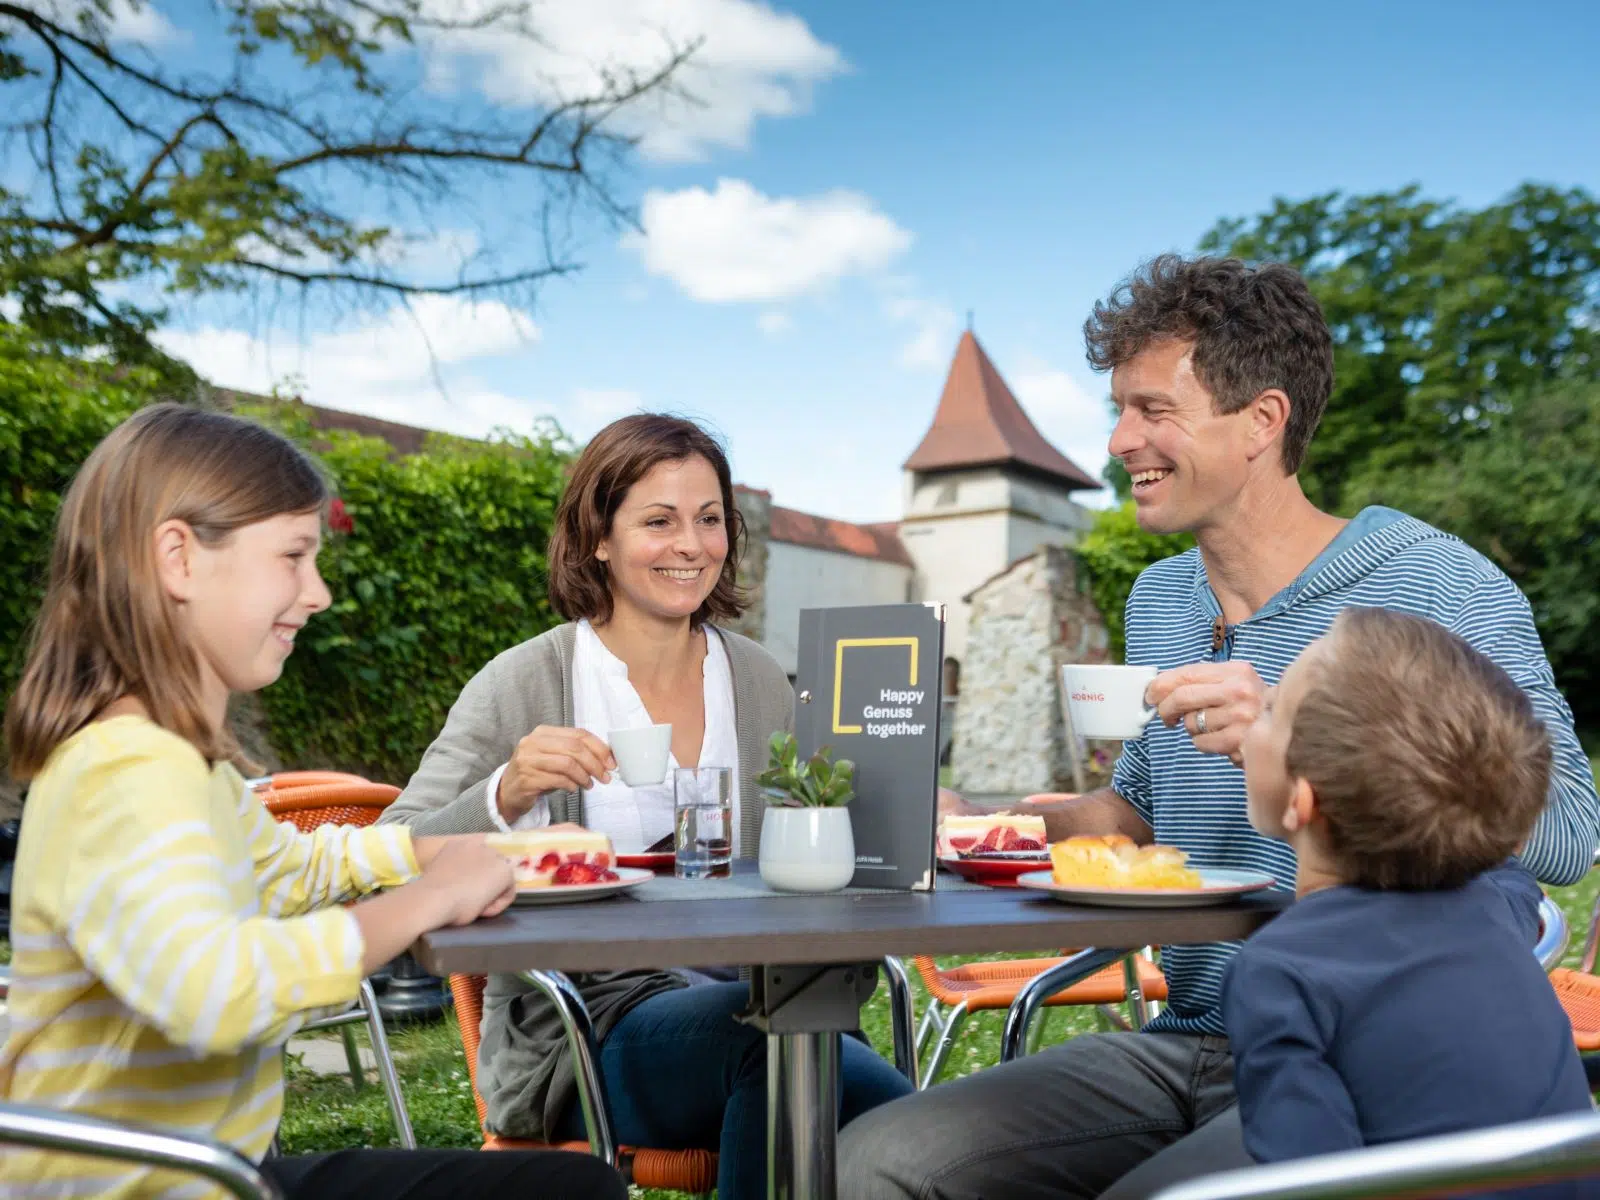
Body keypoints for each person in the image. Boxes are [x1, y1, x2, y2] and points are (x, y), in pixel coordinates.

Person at [839, 255, 1600, 1200]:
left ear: (1262, 422)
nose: (1120, 441)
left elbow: (1569, 828)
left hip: (1366, 1045)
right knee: (877, 1163)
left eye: (1153, 410)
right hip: (1194, 1033)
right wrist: (993, 823)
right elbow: (1142, 816)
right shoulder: (1162, 599)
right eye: (1118, 408)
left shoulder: (1435, 584)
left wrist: (1302, 727)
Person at [0, 404, 626, 1200]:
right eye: (294, 556)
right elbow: (217, 994)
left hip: (211, 1174)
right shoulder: (130, 769)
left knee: (564, 1189)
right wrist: (423, 902)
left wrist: (420, 852)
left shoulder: (175, 762)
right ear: (179, 559)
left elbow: (288, 867)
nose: (319, 592)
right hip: (160, 1187)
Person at [380, 413, 913, 1200]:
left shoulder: (760, 680)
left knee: (926, 1135)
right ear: (598, 536)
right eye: (657, 521)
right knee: (781, 1056)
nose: (690, 545)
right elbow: (389, 854)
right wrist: (506, 791)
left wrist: (898, 807)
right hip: (587, 1028)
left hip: (774, 1001)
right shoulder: (527, 681)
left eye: (708, 520)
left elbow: (827, 829)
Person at [1226, 605, 1594, 1198]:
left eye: (1271, 710)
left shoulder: (1279, 972)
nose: (1251, 724)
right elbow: (1510, 875)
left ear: (1302, 800)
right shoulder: (1493, 905)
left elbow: (1309, 1186)